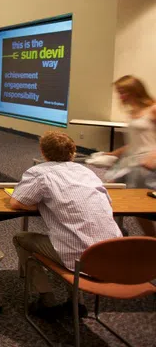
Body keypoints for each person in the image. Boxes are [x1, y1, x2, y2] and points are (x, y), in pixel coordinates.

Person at [10, 132, 123, 315]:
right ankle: (76, 302)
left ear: (43, 152)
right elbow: (108, 203)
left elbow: (17, 202)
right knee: (75, 237)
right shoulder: (88, 173)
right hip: (110, 254)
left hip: (79, 256)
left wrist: (45, 205)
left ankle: (47, 299)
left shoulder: (40, 173)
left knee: (21, 238)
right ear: (73, 152)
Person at [104, 75, 156, 236]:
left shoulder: (152, 109)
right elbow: (135, 143)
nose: (121, 96)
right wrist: (113, 154)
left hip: (147, 164)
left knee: (144, 204)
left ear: (135, 90)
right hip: (132, 161)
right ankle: (148, 238)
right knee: (110, 192)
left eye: (124, 92)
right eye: (119, 92)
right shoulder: (134, 112)